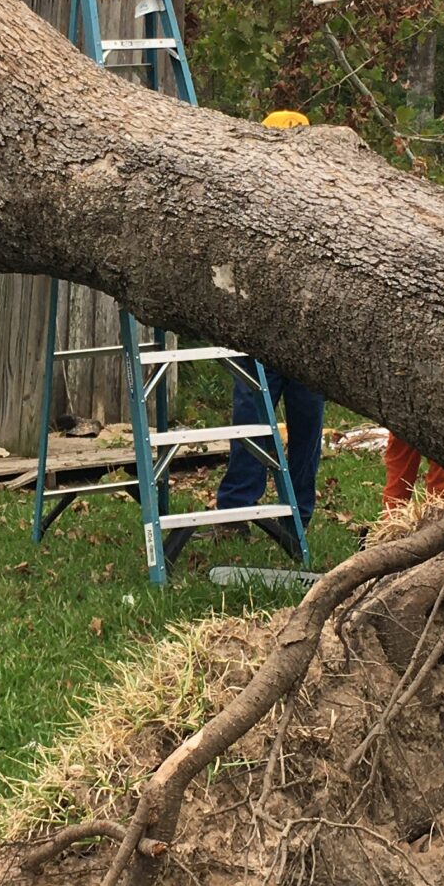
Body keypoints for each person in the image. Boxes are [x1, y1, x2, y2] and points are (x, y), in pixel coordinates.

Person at [166, 111, 324, 568]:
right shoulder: (247, 198)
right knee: (252, 417)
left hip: (306, 333)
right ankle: (237, 509)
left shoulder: (322, 200)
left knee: (307, 420)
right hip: (256, 329)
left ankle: (298, 516)